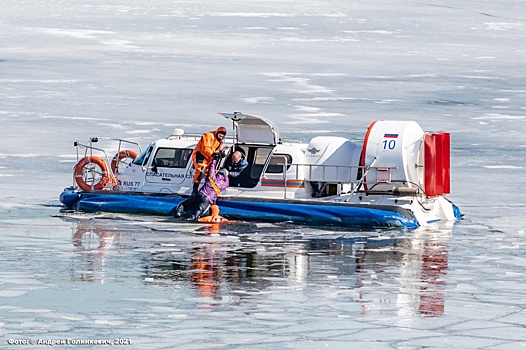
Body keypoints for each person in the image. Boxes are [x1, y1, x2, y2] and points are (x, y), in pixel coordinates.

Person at [191, 126, 227, 195]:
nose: (221, 136)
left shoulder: (219, 142)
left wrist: (220, 154)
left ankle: (206, 189)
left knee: (209, 173)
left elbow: (217, 150)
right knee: (201, 170)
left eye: (223, 135)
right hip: (200, 155)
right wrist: (213, 154)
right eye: (220, 134)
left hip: (208, 158)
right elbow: (205, 148)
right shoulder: (208, 136)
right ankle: (194, 190)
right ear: (217, 132)